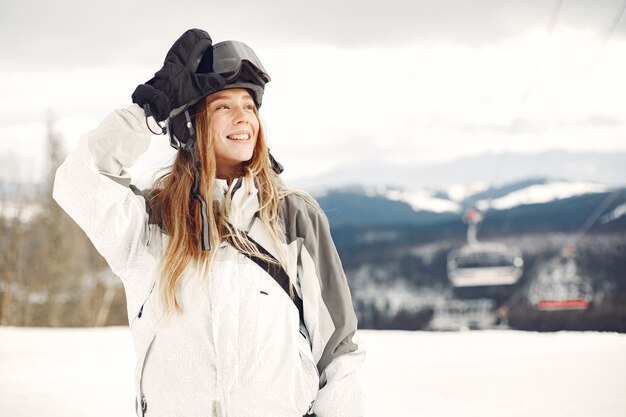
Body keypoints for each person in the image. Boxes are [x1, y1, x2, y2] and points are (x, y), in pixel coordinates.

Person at [53, 28, 365, 417]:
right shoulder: (151, 222)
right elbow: (76, 183)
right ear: (191, 125)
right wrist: (148, 111)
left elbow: (337, 355)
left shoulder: (294, 217)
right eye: (223, 106)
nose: (242, 117)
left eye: (249, 106)